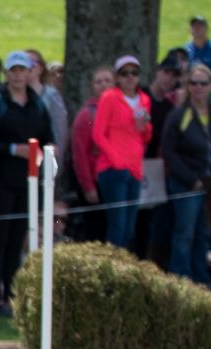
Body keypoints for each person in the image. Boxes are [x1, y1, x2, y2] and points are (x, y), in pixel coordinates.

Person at [0, 51, 52, 315]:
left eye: (22, 69)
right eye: (13, 70)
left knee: (15, 242)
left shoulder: (38, 104)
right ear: (7, 74)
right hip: (0, 181)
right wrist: (13, 149)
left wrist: (46, 151)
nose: (18, 75)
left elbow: (48, 137)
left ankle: (12, 296)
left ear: (30, 72)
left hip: (28, 183)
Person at [94, 55, 152, 249]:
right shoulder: (109, 97)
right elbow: (98, 134)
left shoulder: (144, 100)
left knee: (129, 228)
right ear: (117, 77)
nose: (130, 77)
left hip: (135, 169)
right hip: (113, 168)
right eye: (124, 73)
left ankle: (122, 271)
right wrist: (116, 160)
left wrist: (144, 126)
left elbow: (146, 137)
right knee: (117, 226)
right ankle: (113, 271)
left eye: (134, 73)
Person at [162, 62, 211, 283]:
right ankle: (180, 281)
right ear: (188, 85)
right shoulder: (179, 115)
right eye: (194, 83)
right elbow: (169, 152)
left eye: (203, 83)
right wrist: (191, 180)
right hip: (187, 184)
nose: (199, 87)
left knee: (204, 235)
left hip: (208, 185)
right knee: (185, 234)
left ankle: (201, 282)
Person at [68, 63, 115, 241]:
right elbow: (79, 155)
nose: (103, 85)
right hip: (96, 184)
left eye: (107, 81)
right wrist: (88, 187)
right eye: (98, 82)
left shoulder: (120, 110)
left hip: (116, 180)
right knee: (97, 232)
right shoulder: (87, 116)